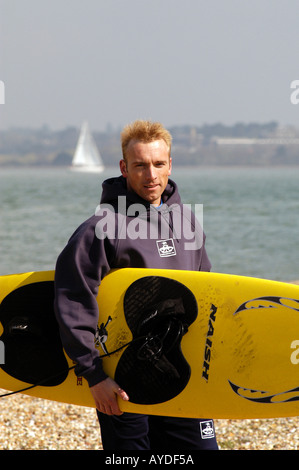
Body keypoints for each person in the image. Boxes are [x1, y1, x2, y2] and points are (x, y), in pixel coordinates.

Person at [54, 120, 218, 450]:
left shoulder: (186, 221)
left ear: (170, 164)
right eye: (140, 165)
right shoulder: (101, 228)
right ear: (124, 168)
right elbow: (73, 299)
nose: (151, 175)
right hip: (123, 377)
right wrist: (94, 375)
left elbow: (206, 294)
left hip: (180, 372)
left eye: (159, 164)